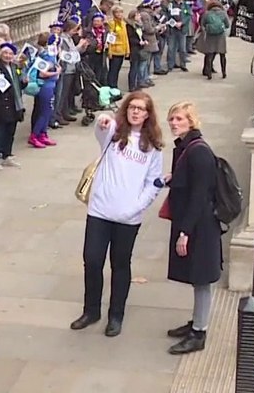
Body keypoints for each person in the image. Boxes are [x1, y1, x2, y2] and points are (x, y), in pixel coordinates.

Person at [70, 92, 166, 338]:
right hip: (100, 211)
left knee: (120, 265)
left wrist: (137, 207)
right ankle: (91, 310)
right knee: (92, 261)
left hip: (128, 216)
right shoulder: (114, 134)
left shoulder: (153, 147)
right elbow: (100, 125)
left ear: (147, 114)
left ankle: (116, 315)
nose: (135, 112)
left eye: (141, 109)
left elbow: (153, 183)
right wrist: (102, 119)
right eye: (132, 107)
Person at [163, 102, 224, 355]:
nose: (174, 123)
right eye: (171, 119)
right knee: (195, 276)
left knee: (200, 279)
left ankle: (199, 332)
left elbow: (200, 194)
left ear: (191, 121)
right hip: (192, 220)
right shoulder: (185, 147)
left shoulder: (198, 151)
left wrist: (185, 232)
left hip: (200, 225)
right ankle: (196, 323)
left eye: (179, 119)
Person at [0, 42, 26, 169]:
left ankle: (7, 154)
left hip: (15, 103)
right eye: (5, 53)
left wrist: (24, 82)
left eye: (10, 54)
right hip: (1, 104)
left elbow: (18, 85)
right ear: (0, 54)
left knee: (10, 130)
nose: (8, 56)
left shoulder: (15, 67)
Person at [27, 32, 61, 148]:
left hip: (49, 85)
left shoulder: (46, 54)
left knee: (47, 111)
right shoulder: (46, 56)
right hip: (45, 86)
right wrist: (56, 72)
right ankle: (34, 135)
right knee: (45, 112)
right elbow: (42, 73)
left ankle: (43, 134)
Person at [197, 0, 230, 79]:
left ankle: (209, 73)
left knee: (209, 54)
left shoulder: (207, 13)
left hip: (210, 36)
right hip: (221, 36)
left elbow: (202, 24)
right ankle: (224, 72)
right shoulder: (223, 13)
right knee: (222, 55)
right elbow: (227, 25)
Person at [105, 5, 129, 90]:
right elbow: (110, 38)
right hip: (115, 50)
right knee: (113, 70)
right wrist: (110, 51)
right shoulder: (112, 23)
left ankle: (115, 86)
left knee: (117, 69)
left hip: (122, 50)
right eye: (117, 12)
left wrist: (127, 50)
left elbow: (125, 37)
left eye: (121, 12)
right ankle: (112, 86)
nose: (119, 14)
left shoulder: (123, 23)